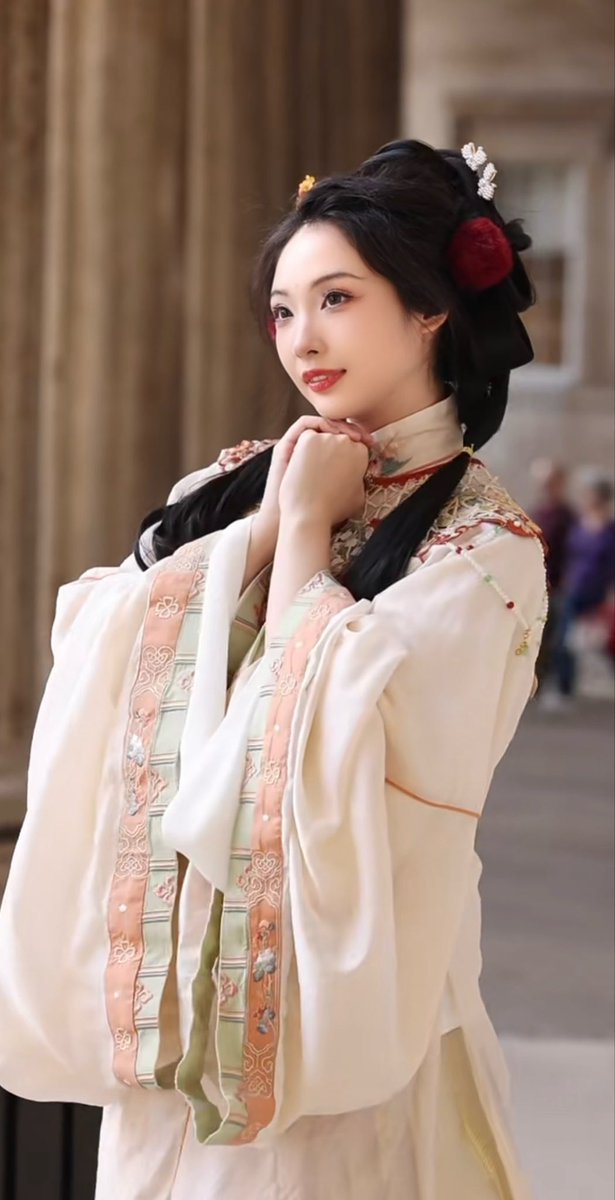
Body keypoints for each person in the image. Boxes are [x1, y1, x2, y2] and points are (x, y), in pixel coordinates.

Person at [0, 139, 548, 1199]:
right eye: (286, 311)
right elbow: (95, 639)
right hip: (183, 1017)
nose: (305, 340)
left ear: (431, 307)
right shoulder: (226, 487)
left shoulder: (487, 550)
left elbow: (337, 767)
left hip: (354, 1023)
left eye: (336, 297)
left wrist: (302, 531)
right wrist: (257, 533)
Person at [552, 471, 615, 701]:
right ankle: (565, 689)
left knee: (601, 641)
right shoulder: (579, 524)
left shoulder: (610, 530)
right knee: (565, 641)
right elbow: (571, 555)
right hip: (574, 589)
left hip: (597, 592)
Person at [529, 458, 575, 691]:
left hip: (557, 584)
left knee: (556, 637)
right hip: (539, 582)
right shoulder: (539, 511)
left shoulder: (566, 515)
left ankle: (552, 684)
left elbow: (572, 549)